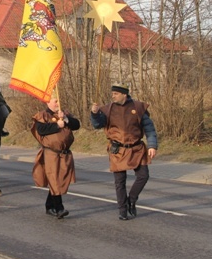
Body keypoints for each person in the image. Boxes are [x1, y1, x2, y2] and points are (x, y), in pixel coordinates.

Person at [90, 83, 158, 220]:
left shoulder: (138, 107)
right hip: (118, 149)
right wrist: (95, 113)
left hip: (137, 148)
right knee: (120, 181)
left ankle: (131, 199)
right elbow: (97, 124)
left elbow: (149, 128)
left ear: (124, 95)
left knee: (143, 176)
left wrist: (152, 146)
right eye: (112, 93)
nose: (113, 96)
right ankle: (122, 210)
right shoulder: (108, 109)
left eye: (115, 94)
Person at [31, 97, 80, 219]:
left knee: (60, 179)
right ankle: (59, 208)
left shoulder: (64, 114)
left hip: (64, 153)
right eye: (55, 101)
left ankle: (49, 205)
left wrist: (66, 119)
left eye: (59, 100)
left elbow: (77, 125)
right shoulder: (43, 115)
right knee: (54, 179)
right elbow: (41, 130)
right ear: (48, 102)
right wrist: (57, 125)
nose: (58, 103)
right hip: (51, 153)